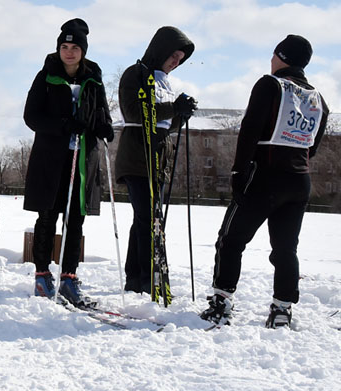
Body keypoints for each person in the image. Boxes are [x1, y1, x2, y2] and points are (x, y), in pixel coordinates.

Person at [200, 35, 329, 329]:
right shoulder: (319, 99)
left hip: (264, 177)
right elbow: (313, 146)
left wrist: (238, 172)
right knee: (285, 248)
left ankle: (221, 302)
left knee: (231, 240)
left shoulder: (269, 85)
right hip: (299, 180)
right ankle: (282, 309)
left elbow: (249, 130)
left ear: (280, 57)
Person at [23, 19, 112, 306]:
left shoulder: (94, 79)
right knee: (47, 216)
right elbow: (31, 116)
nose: (69, 52)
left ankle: (69, 278)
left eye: (75, 47)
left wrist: (104, 127)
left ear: (83, 51)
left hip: (82, 159)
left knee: (75, 220)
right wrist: (63, 125)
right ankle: (42, 274)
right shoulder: (45, 76)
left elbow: (101, 112)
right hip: (51, 158)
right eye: (64, 46)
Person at [115, 26, 197, 297]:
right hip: (137, 155)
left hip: (159, 158)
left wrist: (181, 116)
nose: (176, 62)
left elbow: (164, 124)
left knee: (147, 218)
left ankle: (136, 278)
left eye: (180, 59)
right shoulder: (135, 74)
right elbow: (135, 112)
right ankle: (145, 278)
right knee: (149, 217)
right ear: (160, 50)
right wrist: (174, 108)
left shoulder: (164, 82)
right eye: (173, 55)